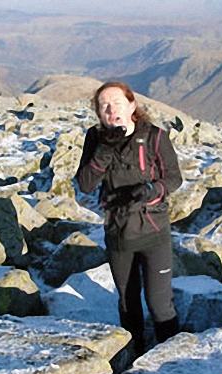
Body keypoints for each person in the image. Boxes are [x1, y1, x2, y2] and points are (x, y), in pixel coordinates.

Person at [75, 81, 183, 356]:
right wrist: (105, 149)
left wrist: (150, 191)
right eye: (104, 106)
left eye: (117, 103)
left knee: (160, 303)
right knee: (127, 302)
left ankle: (170, 361)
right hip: (118, 233)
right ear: (99, 114)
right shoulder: (95, 138)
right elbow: (86, 184)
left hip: (153, 231)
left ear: (132, 106)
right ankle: (135, 357)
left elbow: (173, 177)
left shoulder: (155, 136)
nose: (111, 110)